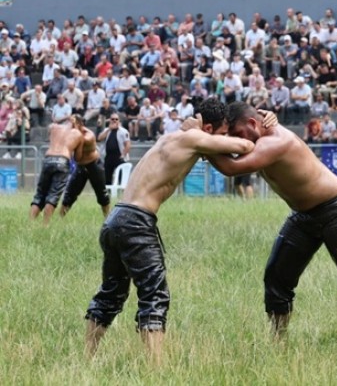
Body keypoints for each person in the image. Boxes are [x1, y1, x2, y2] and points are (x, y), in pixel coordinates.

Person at [83, 99, 275, 363]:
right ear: (208, 128)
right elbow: (245, 146)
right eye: (221, 133)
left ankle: (88, 358)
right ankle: (157, 369)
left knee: (111, 292)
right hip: (136, 222)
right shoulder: (194, 138)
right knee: (154, 294)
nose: (223, 139)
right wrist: (269, 124)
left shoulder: (173, 136)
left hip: (116, 219)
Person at [198, 102, 337, 341]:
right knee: (277, 276)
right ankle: (278, 341)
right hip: (304, 216)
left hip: (336, 210)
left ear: (252, 123)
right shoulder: (258, 134)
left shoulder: (275, 141)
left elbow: (230, 168)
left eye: (238, 135)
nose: (236, 142)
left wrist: (200, 141)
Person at [30, 116, 84, 224]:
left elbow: (53, 123)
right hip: (63, 160)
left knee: (40, 194)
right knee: (53, 195)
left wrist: (65, 118)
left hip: (48, 159)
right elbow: (78, 157)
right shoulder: (78, 134)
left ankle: (30, 223)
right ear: (78, 124)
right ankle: (45, 224)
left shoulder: (54, 128)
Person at [60, 115, 111, 219]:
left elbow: (77, 157)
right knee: (69, 194)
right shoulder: (73, 134)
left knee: (102, 195)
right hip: (81, 167)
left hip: (94, 165)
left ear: (79, 124)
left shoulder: (88, 136)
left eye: (72, 123)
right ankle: (59, 218)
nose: (70, 125)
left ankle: (108, 219)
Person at [98, 112, 131, 185]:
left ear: (119, 120)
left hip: (119, 156)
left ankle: (121, 189)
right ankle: (108, 190)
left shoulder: (123, 131)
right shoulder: (106, 130)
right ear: (110, 120)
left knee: (121, 177)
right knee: (107, 177)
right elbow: (99, 138)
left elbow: (128, 144)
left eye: (116, 119)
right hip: (108, 156)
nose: (114, 121)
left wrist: (123, 155)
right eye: (112, 119)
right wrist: (109, 129)